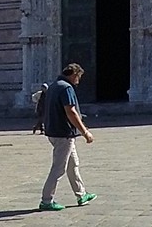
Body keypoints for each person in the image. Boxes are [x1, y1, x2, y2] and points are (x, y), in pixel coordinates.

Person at [38, 63, 96, 211]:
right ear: (74, 74)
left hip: (53, 131)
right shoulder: (66, 88)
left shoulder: (53, 86)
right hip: (64, 133)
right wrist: (85, 132)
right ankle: (46, 200)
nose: (79, 80)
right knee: (59, 168)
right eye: (79, 77)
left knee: (73, 163)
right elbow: (71, 111)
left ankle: (81, 194)